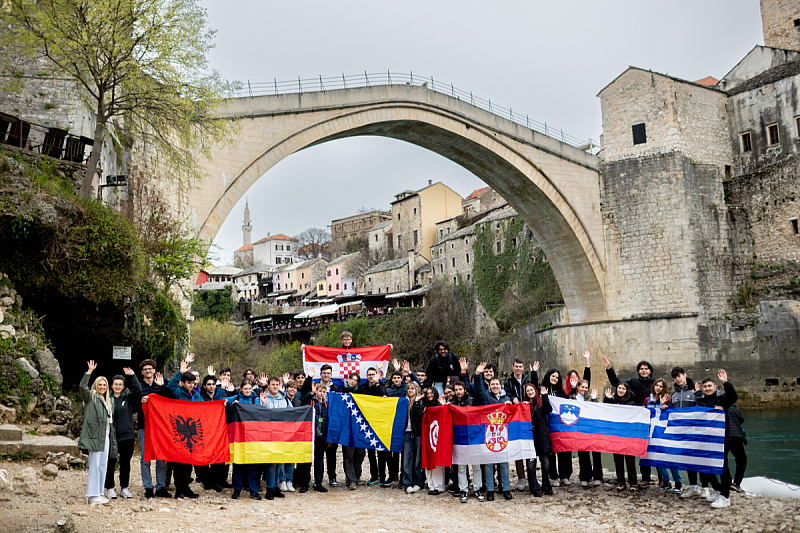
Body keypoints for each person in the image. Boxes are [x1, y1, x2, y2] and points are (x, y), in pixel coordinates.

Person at [602, 354, 656, 487]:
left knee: (649, 449)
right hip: (633, 419)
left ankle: (649, 478)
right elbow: (617, 383)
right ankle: (633, 480)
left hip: (650, 417)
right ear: (638, 371)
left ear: (650, 371)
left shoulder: (654, 383)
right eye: (641, 368)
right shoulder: (633, 382)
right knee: (632, 452)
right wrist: (609, 368)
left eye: (646, 368)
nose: (643, 370)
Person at [695, 369, 739, 509]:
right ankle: (718, 489)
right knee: (706, 466)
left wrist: (726, 382)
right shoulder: (700, 401)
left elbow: (733, 397)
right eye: (705, 386)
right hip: (705, 439)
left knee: (722, 467)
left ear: (715, 387)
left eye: (709, 386)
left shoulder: (722, 400)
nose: (707, 389)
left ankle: (725, 496)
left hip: (721, 439)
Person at [473, 361, 513, 501]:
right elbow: (478, 389)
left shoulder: (505, 398)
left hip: (502, 435)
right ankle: (490, 489)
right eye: (493, 384)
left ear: (500, 386)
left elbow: (512, 412)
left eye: (497, 384)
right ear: (489, 386)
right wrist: (477, 374)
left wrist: (510, 405)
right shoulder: (485, 397)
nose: (495, 386)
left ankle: (505, 488)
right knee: (489, 463)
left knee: (504, 463)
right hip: (488, 435)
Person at [163, 357, 202, 499]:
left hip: (192, 432)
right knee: (178, 461)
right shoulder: (178, 393)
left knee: (189, 461)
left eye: (193, 383)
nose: (191, 385)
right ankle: (179, 488)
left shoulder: (196, 396)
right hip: (179, 431)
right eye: (188, 383)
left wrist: (222, 403)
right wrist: (180, 372)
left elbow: (205, 409)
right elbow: (169, 388)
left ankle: (186, 487)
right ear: (183, 383)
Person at [79, 360, 117, 505]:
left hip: (105, 436)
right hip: (95, 436)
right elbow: (82, 387)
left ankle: (99, 492)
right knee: (94, 464)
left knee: (103, 464)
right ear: (96, 385)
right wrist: (89, 372)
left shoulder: (108, 401)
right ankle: (92, 494)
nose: (102, 387)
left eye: (104, 385)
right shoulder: (91, 397)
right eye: (100, 384)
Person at [104, 367, 141, 500]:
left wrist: (132, 376)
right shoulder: (107, 399)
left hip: (127, 436)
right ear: (112, 385)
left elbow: (138, 390)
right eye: (116, 384)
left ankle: (124, 488)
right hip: (112, 436)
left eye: (120, 384)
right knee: (111, 462)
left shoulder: (129, 398)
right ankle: (109, 488)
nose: (118, 386)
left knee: (125, 463)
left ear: (123, 386)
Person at [136, 358, 169, 498]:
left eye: (150, 369)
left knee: (161, 458)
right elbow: (133, 405)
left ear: (154, 370)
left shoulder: (163, 383)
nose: (148, 371)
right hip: (144, 426)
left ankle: (161, 487)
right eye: (145, 369)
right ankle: (148, 487)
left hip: (161, 428)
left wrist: (162, 387)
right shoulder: (138, 386)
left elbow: (170, 400)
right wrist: (140, 402)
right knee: (145, 459)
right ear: (142, 372)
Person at [536, 365, 573, 486]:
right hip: (546, 425)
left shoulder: (561, 392)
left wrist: (571, 392)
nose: (555, 379)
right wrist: (534, 373)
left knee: (562, 451)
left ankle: (564, 475)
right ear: (548, 376)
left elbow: (566, 403)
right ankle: (554, 476)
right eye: (553, 376)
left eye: (557, 377)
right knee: (551, 452)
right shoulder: (542, 389)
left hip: (559, 426)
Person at [645, 378, 682, 493]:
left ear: (664, 388)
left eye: (661, 386)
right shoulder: (647, 400)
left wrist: (664, 406)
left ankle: (678, 482)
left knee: (671, 457)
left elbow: (672, 415)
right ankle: (665, 481)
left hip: (666, 432)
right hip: (653, 433)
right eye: (657, 385)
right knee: (658, 457)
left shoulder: (668, 400)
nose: (658, 388)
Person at [450, 378, 484, 503]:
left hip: (474, 437)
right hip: (459, 438)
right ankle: (463, 490)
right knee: (461, 467)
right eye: (456, 390)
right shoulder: (452, 404)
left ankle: (477, 488)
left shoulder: (472, 400)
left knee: (476, 465)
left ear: (465, 390)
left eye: (460, 389)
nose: (458, 392)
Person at [260, 375, 293, 500]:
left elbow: (291, 415)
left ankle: (275, 487)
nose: (274, 386)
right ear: (268, 385)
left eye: (276, 384)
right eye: (272, 384)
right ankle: (269, 488)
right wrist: (263, 404)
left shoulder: (284, 400)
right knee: (271, 463)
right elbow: (259, 415)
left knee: (279, 461)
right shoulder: (264, 398)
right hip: (268, 435)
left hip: (282, 435)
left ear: (280, 385)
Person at [671, 366, 703, 499]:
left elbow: (703, 409)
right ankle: (693, 486)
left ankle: (705, 488)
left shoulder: (694, 392)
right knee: (688, 460)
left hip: (694, 432)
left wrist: (699, 395)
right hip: (681, 433)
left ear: (685, 375)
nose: (678, 379)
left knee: (699, 459)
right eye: (675, 377)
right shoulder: (674, 395)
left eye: (679, 376)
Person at [229, 378, 262, 500]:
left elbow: (261, 413)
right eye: (245, 389)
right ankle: (236, 490)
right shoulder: (236, 398)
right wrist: (232, 406)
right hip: (238, 437)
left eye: (249, 388)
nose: (247, 391)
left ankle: (254, 491)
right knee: (238, 465)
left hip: (252, 438)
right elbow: (222, 401)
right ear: (241, 389)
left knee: (252, 466)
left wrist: (263, 404)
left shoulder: (256, 399)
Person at [604, 382, 638, 492]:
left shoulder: (632, 403)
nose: (621, 390)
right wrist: (607, 399)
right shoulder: (613, 401)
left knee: (630, 460)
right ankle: (621, 482)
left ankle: (633, 483)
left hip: (628, 435)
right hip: (616, 434)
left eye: (623, 389)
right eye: (619, 388)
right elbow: (605, 410)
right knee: (618, 459)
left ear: (627, 390)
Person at [571, 378, 603, 488]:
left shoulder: (591, 397)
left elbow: (598, 409)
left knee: (596, 452)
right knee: (583, 453)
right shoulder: (572, 397)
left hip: (592, 428)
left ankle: (597, 476)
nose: (584, 389)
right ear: (578, 387)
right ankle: (585, 477)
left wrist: (594, 399)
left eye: (586, 387)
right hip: (579, 429)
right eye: (582, 387)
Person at [504, 358, 530, 491]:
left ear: (523, 367)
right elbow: (505, 394)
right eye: (516, 366)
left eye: (520, 366)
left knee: (529, 446)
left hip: (527, 417)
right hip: (515, 418)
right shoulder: (508, 382)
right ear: (513, 367)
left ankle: (531, 476)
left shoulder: (527, 381)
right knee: (518, 446)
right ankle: (521, 477)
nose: (518, 368)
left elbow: (533, 392)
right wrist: (511, 398)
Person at [523, 377, 553, 497]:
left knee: (545, 463)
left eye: (532, 390)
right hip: (530, 438)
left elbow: (548, 409)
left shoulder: (541, 403)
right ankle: (534, 486)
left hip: (542, 437)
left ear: (535, 391)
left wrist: (544, 395)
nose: (530, 392)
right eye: (528, 391)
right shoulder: (524, 406)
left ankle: (546, 485)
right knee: (530, 464)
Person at [402, 382, 425, 493]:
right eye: (408, 388)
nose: (410, 390)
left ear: (416, 390)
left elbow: (420, 416)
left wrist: (416, 403)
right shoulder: (403, 401)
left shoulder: (420, 401)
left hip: (417, 433)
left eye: (412, 388)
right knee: (407, 459)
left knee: (417, 460)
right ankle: (407, 482)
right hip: (406, 433)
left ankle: (419, 482)